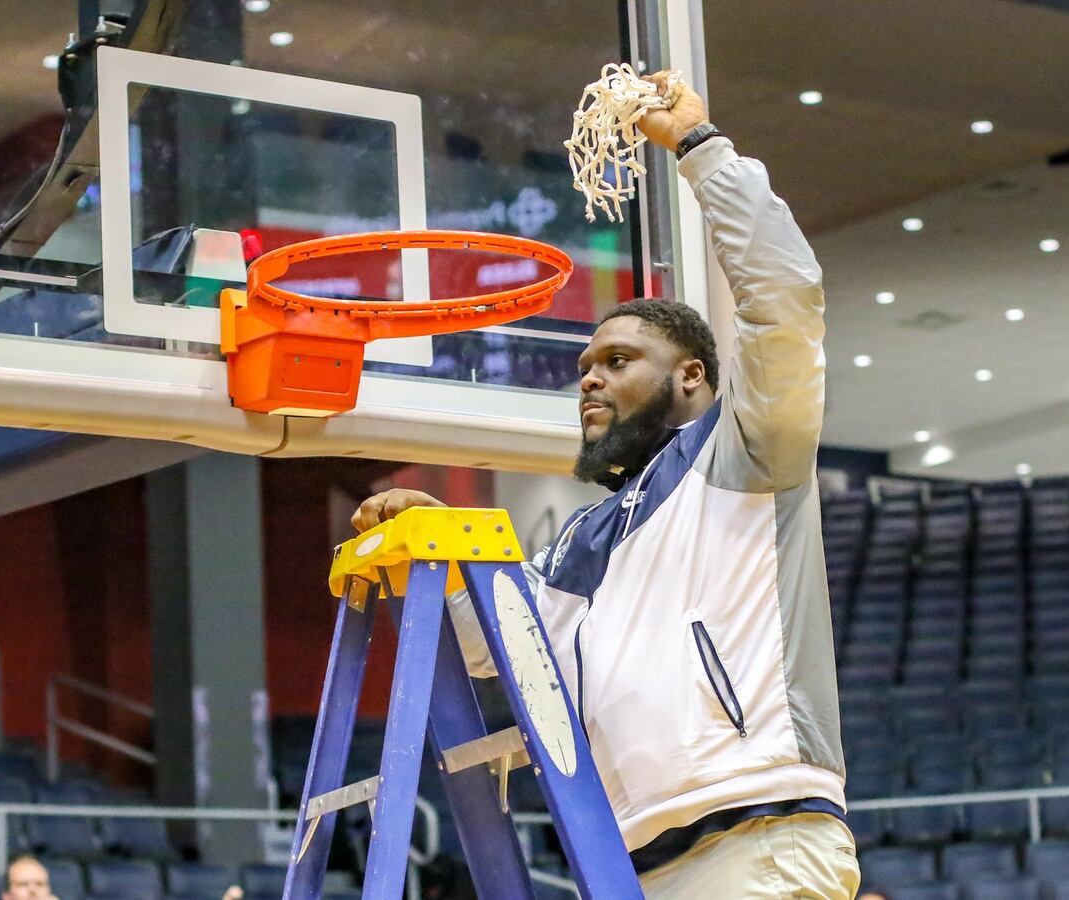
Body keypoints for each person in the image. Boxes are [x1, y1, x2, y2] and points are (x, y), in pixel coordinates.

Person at [351, 74, 855, 898]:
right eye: (583, 368)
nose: (589, 382)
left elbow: (787, 298)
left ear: (693, 375)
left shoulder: (744, 452)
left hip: (755, 839)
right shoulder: (584, 539)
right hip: (621, 866)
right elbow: (497, 645)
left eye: (617, 363)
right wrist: (439, 538)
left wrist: (701, 148)